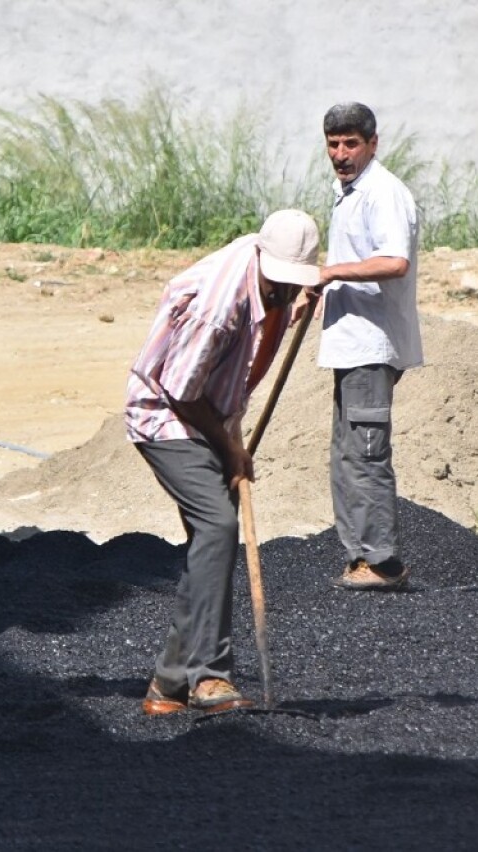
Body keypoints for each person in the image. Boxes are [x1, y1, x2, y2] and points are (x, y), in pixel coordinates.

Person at [126, 209, 321, 715]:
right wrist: (232, 449)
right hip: (165, 414)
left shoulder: (265, 274)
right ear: (263, 259)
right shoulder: (219, 307)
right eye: (281, 282)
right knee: (217, 524)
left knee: (209, 543)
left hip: (209, 408)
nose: (285, 289)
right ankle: (209, 676)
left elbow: (264, 322)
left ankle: (169, 685)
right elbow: (181, 390)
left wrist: (296, 300)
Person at [313, 102, 423, 591]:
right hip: (349, 345)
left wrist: (333, 272)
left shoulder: (383, 193)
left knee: (366, 453)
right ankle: (360, 556)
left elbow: (394, 261)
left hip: (372, 346)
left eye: (350, 144)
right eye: (333, 144)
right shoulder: (347, 194)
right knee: (346, 455)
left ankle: (383, 562)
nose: (341, 154)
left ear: (372, 144)